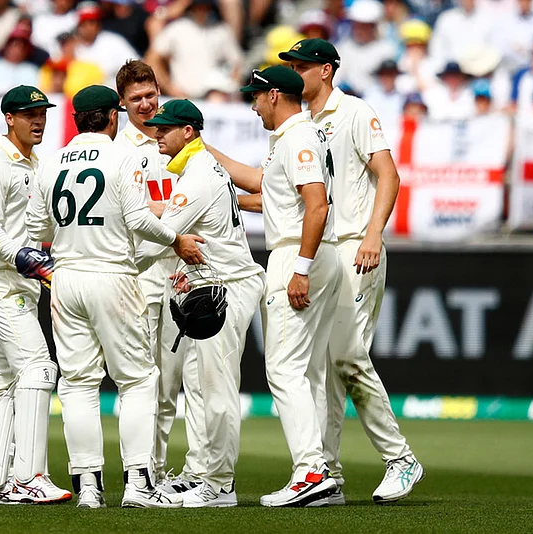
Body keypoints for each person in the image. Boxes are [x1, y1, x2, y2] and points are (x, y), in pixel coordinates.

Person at [25, 85, 205, 509]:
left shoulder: (50, 164)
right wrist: (176, 239)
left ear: (75, 120)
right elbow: (139, 218)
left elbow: (37, 234)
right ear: (111, 117)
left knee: (77, 384)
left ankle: (88, 485)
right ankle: (139, 484)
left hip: (66, 278)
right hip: (113, 275)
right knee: (138, 380)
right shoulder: (122, 156)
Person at [278, 38, 424, 504]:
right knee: (323, 367)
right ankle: (329, 474)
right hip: (323, 252)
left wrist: (374, 234)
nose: (295, 74)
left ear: (326, 70)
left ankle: (400, 458)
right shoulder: (298, 125)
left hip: (355, 248)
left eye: (301, 66)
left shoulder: (355, 113)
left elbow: (389, 174)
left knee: (344, 356)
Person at [212, 65, 342, 507]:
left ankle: (310, 473)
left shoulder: (298, 138)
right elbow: (261, 193)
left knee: (285, 370)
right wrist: (203, 156)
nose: (252, 104)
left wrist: (300, 267)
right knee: (310, 371)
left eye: (256, 96)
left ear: (274, 96)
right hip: (311, 253)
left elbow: (317, 206)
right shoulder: (293, 138)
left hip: (297, 253)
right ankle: (324, 471)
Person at [138, 98, 265, 508]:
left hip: (224, 288)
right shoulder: (199, 168)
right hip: (210, 286)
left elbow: (160, 233)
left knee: (216, 389)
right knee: (199, 383)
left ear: (188, 132)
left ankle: (221, 484)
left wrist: (108, 262)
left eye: (165, 128)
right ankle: (199, 472)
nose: (157, 133)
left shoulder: (197, 176)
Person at [0, 85, 71, 505]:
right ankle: (29, 476)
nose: (39, 119)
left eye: (43, 112)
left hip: (21, 284)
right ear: (8, 117)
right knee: (39, 369)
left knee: (2, 383)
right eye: (29, 113)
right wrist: (26, 257)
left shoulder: (36, 163)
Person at [114, 60, 208, 494]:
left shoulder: (176, 137)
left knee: (170, 381)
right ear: (122, 104)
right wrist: (167, 219)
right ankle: (139, 470)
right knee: (140, 378)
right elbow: (128, 215)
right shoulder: (121, 149)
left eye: (150, 94)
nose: (146, 104)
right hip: (138, 273)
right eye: (136, 99)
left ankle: (156, 470)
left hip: (179, 273)